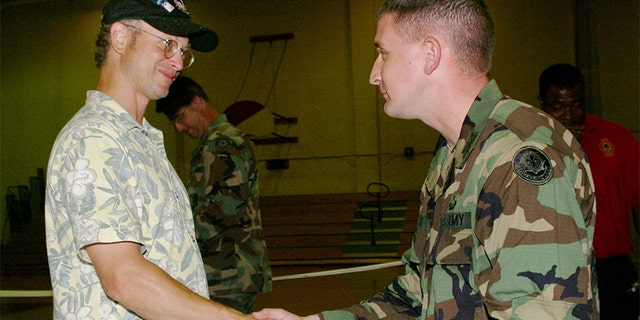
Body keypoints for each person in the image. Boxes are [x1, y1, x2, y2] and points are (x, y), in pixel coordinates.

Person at [254, 0, 599, 319]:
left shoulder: (517, 157)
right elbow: (418, 292)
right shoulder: (454, 152)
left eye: (383, 54)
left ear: (430, 54)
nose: (374, 74)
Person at [44, 1, 253, 319]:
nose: (179, 62)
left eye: (184, 51)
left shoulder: (140, 142)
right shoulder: (93, 138)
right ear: (119, 37)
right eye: (168, 43)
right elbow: (124, 278)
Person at [156, 76, 272, 313]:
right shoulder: (212, 144)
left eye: (179, 117)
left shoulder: (224, 143)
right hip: (223, 270)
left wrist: (174, 242)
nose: (178, 128)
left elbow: (224, 211)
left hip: (228, 273)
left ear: (197, 102)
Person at [538, 63, 640, 320]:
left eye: (576, 104)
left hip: (612, 264)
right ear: (542, 104)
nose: (569, 114)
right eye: (558, 106)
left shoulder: (617, 137)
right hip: (554, 267)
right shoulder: (528, 143)